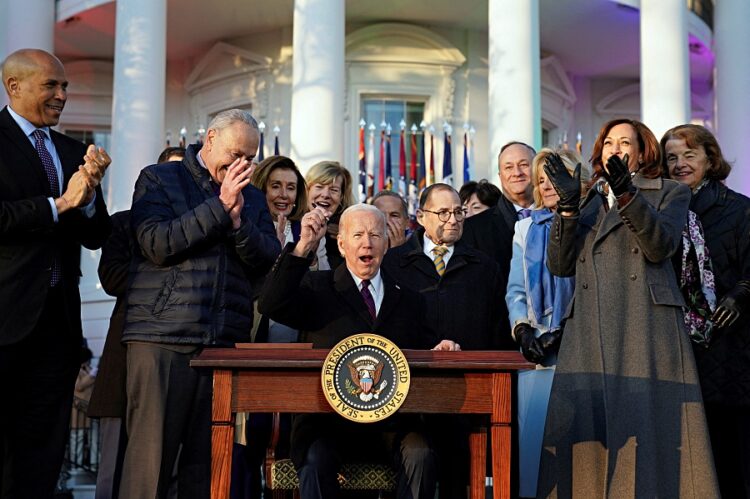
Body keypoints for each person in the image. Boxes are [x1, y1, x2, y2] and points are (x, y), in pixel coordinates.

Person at [538, 118, 719, 497]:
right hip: (590, 328)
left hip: (645, 326)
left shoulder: (668, 191)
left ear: (641, 151)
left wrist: (627, 195)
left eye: (625, 142)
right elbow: (559, 264)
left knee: (652, 437)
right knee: (589, 442)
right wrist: (568, 210)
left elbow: (660, 246)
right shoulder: (585, 197)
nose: (615, 149)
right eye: (608, 143)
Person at [118, 109, 281, 499]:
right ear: (210, 138)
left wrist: (240, 224)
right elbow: (157, 244)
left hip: (221, 347)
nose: (241, 164)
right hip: (162, 339)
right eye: (235, 153)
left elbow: (267, 260)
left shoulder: (253, 199)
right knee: (149, 468)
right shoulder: (160, 178)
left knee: (207, 471)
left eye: (249, 157)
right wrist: (220, 208)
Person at [259, 203, 459, 499]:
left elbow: (425, 348)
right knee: (315, 461)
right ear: (341, 244)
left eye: (375, 235)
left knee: (422, 454)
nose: (367, 242)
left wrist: (441, 348)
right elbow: (270, 304)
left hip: (391, 424)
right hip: (326, 421)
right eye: (358, 235)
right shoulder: (318, 288)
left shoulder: (410, 299)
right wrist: (303, 247)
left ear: (387, 243)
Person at [0, 48, 111, 498]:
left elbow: (97, 234)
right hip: (5, 321)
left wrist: (86, 198)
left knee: (44, 448)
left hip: (58, 326)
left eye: (65, 86)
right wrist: (59, 204)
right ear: (15, 86)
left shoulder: (72, 150)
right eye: (52, 85)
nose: (63, 95)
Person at [382, 183, 513, 498]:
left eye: (459, 212)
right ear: (421, 216)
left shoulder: (484, 267)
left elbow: (497, 332)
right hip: (408, 395)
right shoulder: (394, 264)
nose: (453, 220)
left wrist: (464, 351)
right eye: (443, 213)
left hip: (466, 395)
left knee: (460, 475)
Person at [87, 145, 186, 499]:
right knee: (114, 476)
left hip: (180, 363)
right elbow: (112, 277)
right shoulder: (124, 223)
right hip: (125, 360)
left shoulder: (201, 230)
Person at [662, 124, 750, 498]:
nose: (680, 164)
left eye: (689, 154)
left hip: (731, 347)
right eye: (671, 157)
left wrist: (740, 295)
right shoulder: (665, 210)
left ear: (709, 158)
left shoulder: (738, 209)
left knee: (731, 454)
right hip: (678, 346)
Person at [505, 148, 589, 498]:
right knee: (535, 452)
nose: (547, 185)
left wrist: (567, 329)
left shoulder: (592, 223)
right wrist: (523, 329)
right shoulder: (525, 227)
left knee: (584, 452)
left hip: (582, 347)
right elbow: (516, 290)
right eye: (541, 180)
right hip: (540, 353)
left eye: (554, 176)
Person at [462, 141, 535, 280]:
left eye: (524, 165)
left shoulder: (558, 217)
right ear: (500, 175)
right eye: (508, 167)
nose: (517, 173)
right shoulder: (473, 229)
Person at [305, 160, 355, 270]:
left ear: (341, 197)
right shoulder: (289, 225)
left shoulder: (350, 232)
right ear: (307, 190)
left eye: (334, 190)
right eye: (319, 187)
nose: (326, 195)